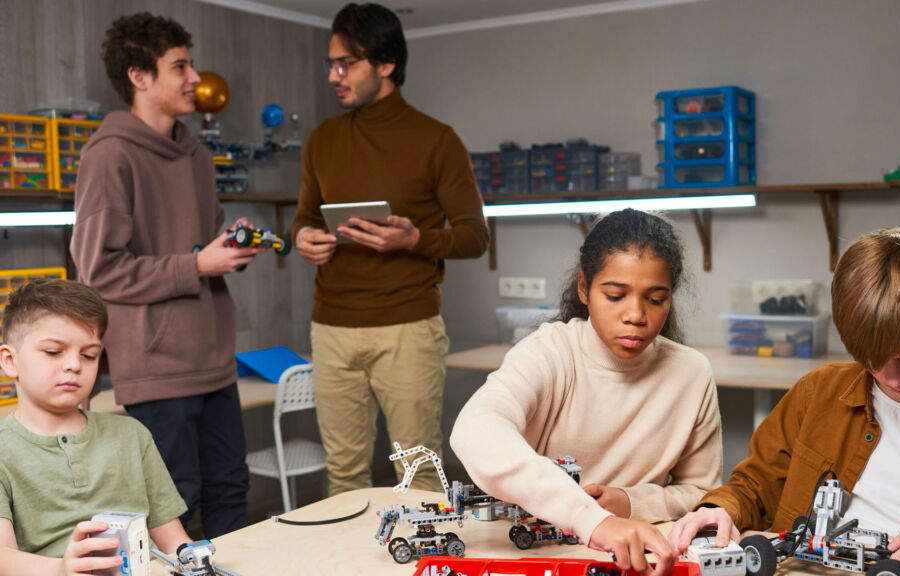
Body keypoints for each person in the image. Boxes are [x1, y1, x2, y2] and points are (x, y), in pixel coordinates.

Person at [668, 227, 900, 576]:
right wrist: (720, 508)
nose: (893, 377)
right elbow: (755, 484)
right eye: (872, 358)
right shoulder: (817, 393)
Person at [70, 13, 261, 538]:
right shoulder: (109, 156)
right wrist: (196, 265)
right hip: (157, 369)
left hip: (214, 360)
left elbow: (199, 241)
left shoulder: (197, 156)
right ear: (139, 76)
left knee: (231, 492)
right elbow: (98, 270)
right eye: (179, 66)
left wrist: (229, 245)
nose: (195, 77)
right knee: (175, 506)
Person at [451, 209, 723, 576]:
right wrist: (591, 519)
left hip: (635, 559)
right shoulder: (549, 352)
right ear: (584, 288)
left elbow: (704, 493)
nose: (636, 315)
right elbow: (475, 429)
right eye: (615, 296)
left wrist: (629, 503)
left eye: (656, 299)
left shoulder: (691, 372)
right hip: (536, 552)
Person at [290, 2, 489, 495]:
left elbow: (474, 236)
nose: (334, 76)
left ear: (385, 64)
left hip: (408, 328)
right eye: (331, 64)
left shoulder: (437, 140)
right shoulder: (322, 139)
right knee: (343, 477)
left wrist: (414, 239)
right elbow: (305, 218)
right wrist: (303, 238)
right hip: (331, 328)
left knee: (418, 473)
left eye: (346, 64)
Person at [0, 279, 191, 575]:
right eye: (53, 351)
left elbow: (173, 540)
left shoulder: (132, 435)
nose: (74, 365)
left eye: (88, 355)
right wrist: (61, 570)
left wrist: (192, 558)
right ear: (10, 361)